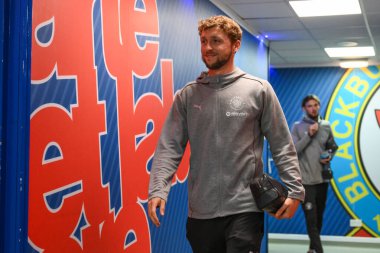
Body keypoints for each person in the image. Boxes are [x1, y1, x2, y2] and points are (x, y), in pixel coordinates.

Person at [148, 15, 305, 253]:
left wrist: (295, 191)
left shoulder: (259, 90)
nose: (208, 48)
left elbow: (282, 143)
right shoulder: (188, 96)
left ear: (235, 45)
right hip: (201, 212)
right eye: (203, 41)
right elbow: (169, 147)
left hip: (245, 209)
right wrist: (159, 189)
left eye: (216, 41)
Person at [291, 94, 337, 253]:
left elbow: (333, 146)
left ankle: (312, 249)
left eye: (315, 105)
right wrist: (308, 135)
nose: (313, 108)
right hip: (306, 182)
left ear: (319, 106)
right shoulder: (297, 126)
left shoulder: (326, 125)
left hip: (322, 180)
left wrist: (329, 155)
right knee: (311, 219)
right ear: (304, 108)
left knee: (318, 219)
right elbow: (294, 150)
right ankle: (319, 250)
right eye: (309, 106)